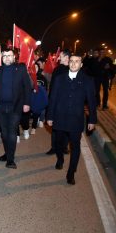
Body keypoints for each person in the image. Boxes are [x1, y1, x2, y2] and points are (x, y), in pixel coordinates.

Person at [47, 55, 97, 185]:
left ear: (81, 65)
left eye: (77, 62)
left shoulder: (87, 80)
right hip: (59, 117)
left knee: (75, 146)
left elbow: (92, 102)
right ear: (68, 63)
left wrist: (92, 120)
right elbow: (52, 98)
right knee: (58, 143)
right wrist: (50, 116)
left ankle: (71, 172)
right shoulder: (59, 79)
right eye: (72, 61)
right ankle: (60, 159)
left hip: (76, 119)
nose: (74, 64)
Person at [0, 49, 32, 169]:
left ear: (14, 57)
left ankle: (10, 160)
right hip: (0, 107)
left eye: (9, 56)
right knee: (4, 132)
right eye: (5, 56)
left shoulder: (21, 69)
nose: (7, 58)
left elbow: (27, 87)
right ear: (2, 58)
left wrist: (27, 103)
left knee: (12, 132)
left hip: (16, 106)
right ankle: (7, 153)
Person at [45, 49, 71, 155]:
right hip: (57, 103)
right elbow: (52, 87)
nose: (59, 58)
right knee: (55, 127)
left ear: (67, 57)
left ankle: (64, 147)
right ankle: (54, 147)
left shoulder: (72, 70)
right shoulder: (57, 69)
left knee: (66, 126)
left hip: (68, 104)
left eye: (61, 56)